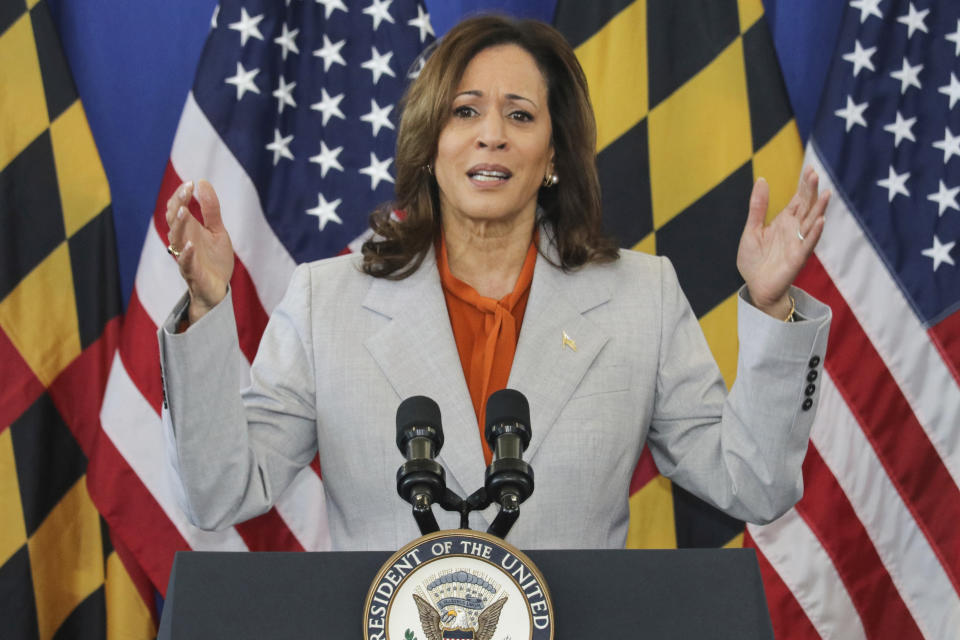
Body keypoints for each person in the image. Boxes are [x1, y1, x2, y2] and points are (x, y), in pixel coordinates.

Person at [158, 15, 831, 551]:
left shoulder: (640, 296)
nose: (491, 137)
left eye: (519, 115)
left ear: (556, 156)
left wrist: (771, 307)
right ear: (430, 146)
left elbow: (754, 484)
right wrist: (209, 309)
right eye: (465, 112)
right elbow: (219, 493)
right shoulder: (325, 299)